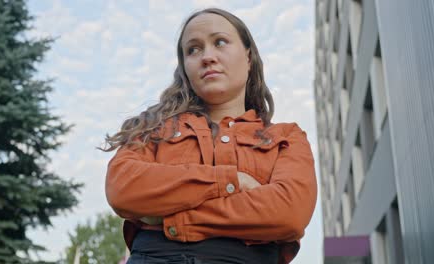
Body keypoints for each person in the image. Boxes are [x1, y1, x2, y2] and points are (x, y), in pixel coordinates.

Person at [103, 7, 317, 264]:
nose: (207, 57)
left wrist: (173, 218)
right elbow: (123, 188)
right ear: (185, 68)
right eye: (193, 49)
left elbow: (289, 213)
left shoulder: (286, 137)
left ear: (248, 57)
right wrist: (231, 181)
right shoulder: (153, 128)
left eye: (220, 42)